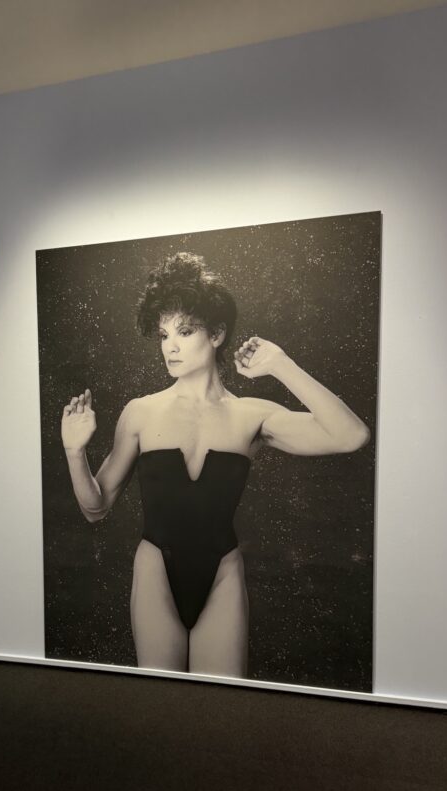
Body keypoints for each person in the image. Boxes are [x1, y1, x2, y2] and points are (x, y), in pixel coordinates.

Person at [61, 252, 369, 678]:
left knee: (222, 705)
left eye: (185, 331)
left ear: (217, 334)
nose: (170, 346)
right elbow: (95, 508)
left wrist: (280, 365)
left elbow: (351, 436)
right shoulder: (140, 412)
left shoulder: (252, 415)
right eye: (164, 334)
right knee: (162, 702)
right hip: (155, 570)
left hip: (223, 571)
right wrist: (74, 452)